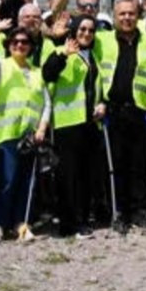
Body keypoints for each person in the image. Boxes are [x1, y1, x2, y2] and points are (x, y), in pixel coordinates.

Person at [94, 0, 146, 233]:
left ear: (137, 15)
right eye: (122, 14)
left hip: (140, 111)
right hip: (113, 110)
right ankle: (119, 212)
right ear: (114, 17)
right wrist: (99, 102)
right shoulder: (102, 41)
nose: (126, 18)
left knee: (140, 165)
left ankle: (140, 211)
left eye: (131, 13)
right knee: (115, 166)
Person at [0, 21, 49, 241]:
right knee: (7, 180)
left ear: (30, 46)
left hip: (30, 136)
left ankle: (21, 223)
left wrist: (41, 128)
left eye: (25, 42)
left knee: (26, 182)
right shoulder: (1, 67)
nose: (20, 45)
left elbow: (46, 103)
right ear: (9, 45)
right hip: (7, 133)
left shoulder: (37, 72)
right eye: (15, 42)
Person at [42, 15, 103, 236]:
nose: (86, 33)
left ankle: (83, 218)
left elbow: (96, 86)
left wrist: (101, 104)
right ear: (74, 31)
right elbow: (47, 73)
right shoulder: (61, 50)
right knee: (68, 176)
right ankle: (69, 223)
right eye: (82, 29)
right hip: (67, 123)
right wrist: (63, 55)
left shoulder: (93, 55)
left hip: (89, 123)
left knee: (86, 174)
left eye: (90, 30)